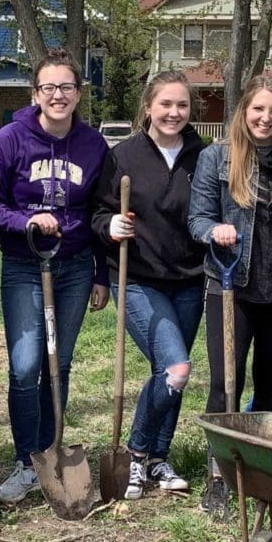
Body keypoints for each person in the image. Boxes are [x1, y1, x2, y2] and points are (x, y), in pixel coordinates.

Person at [0, 48, 110, 504]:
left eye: (67, 87)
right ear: (35, 93)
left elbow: (100, 212)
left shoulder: (93, 145)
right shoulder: (12, 139)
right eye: (49, 87)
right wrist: (27, 223)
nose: (58, 95)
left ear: (78, 93)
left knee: (59, 364)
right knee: (26, 365)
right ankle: (25, 459)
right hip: (24, 265)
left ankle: (52, 450)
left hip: (73, 267)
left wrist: (102, 275)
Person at [188, 75, 272, 516]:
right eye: (258, 109)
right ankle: (219, 475)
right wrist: (212, 230)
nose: (266, 118)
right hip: (229, 287)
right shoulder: (215, 158)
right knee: (226, 383)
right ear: (244, 111)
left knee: (271, 387)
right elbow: (197, 217)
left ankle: (264, 474)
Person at [92, 70, 206, 499]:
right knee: (177, 367)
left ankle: (159, 458)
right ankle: (136, 454)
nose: (173, 113)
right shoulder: (124, 157)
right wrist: (111, 225)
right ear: (148, 107)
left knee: (169, 374)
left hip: (190, 280)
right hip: (137, 278)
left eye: (182, 105)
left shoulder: (203, 156)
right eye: (165, 104)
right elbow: (97, 215)